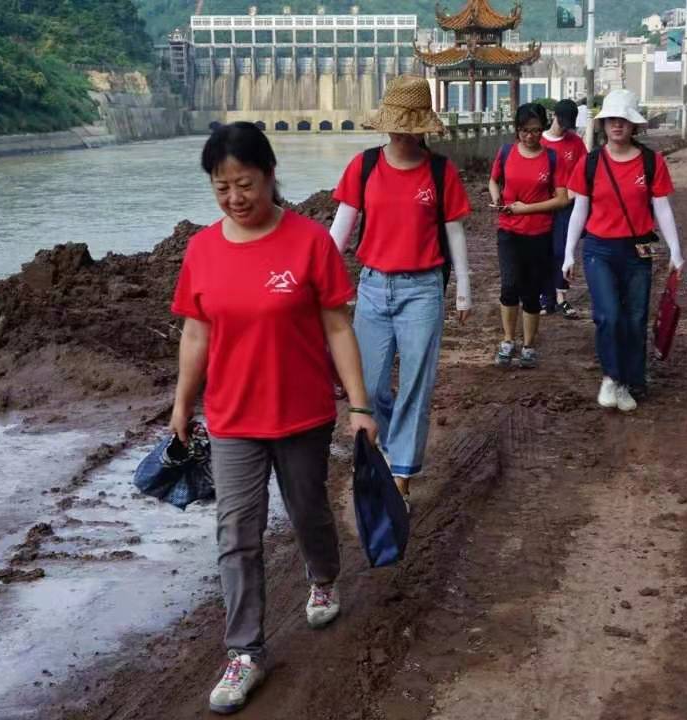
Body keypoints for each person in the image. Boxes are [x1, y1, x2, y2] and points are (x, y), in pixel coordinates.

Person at [169, 122, 378, 715]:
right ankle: (245, 651)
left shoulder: (310, 242)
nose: (235, 197)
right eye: (222, 187)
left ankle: (323, 575)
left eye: (245, 184)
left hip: (302, 414)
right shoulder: (202, 250)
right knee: (236, 534)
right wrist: (182, 403)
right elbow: (196, 333)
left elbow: (337, 326)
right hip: (232, 418)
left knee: (308, 510)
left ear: (269, 176)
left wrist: (359, 405)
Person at [330, 75, 472, 508]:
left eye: (409, 127)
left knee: (416, 386)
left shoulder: (440, 172)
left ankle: (402, 476)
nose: (401, 134)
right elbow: (340, 229)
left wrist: (464, 289)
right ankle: (391, 443)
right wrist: (314, 277)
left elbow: (455, 231)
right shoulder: (364, 166)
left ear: (422, 127)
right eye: (395, 126)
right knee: (369, 387)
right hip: (373, 288)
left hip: (422, 291)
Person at [562, 89, 684, 412]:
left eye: (624, 120)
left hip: (638, 251)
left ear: (634, 125)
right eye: (612, 120)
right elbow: (579, 210)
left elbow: (663, 208)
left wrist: (675, 249)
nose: (617, 125)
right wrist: (568, 252)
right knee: (609, 315)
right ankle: (611, 377)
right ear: (604, 124)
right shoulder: (590, 163)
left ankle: (630, 380)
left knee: (635, 318)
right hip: (599, 250)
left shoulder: (651, 162)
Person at [489, 102, 569, 369]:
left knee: (532, 291)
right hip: (508, 231)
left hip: (539, 233)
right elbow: (494, 180)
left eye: (535, 130)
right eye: (524, 130)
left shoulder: (552, 158)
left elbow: (561, 199)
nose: (530, 136)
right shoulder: (506, 152)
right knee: (509, 285)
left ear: (543, 128)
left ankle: (529, 345)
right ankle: (508, 340)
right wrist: (497, 198)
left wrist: (526, 209)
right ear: (517, 130)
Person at [540, 98, 588, 318]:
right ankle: (545, 295)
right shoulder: (540, 141)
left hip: (567, 205)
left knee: (562, 250)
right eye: (562, 122)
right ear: (554, 117)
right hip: (542, 205)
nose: (564, 128)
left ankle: (561, 296)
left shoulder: (575, 143)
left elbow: (584, 171)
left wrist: (572, 194)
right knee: (543, 250)